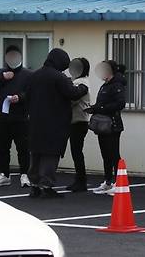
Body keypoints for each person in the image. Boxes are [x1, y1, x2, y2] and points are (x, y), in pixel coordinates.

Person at [24, 48, 88, 198]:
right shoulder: (58, 78)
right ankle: (46, 185)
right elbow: (72, 94)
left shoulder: (35, 75)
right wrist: (83, 88)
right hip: (54, 122)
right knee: (51, 154)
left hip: (35, 121)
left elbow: (27, 96)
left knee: (36, 153)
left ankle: (34, 185)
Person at [0, 45, 33, 188]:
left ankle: (24, 175)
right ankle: (4, 175)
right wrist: (2, 77)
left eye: (14, 55)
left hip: (21, 118)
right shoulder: (1, 72)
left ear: (20, 56)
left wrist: (20, 97)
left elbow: (31, 92)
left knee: (23, 148)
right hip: (3, 119)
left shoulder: (28, 74)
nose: (12, 58)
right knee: (2, 148)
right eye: (9, 56)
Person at [88, 60, 127, 196]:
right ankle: (108, 181)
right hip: (102, 125)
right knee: (105, 154)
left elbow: (120, 103)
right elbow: (101, 103)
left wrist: (102, 108)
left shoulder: (116, 85)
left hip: (112, 124)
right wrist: (94, 108)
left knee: (114, 153)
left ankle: (118, 183)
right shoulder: (105, 85)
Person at [66, 57, 91, 192]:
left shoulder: (80, 82)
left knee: (76, 152)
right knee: (77, 151)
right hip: (81, 120)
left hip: (78, 121)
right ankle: (80, 180)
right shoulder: (82, 81)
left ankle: (81, 181)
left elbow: (72, 99)